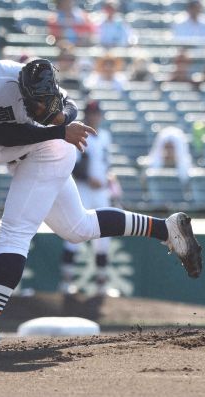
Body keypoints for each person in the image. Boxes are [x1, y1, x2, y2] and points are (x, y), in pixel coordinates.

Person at [0, 20, 202, 353]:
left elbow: (69, 105)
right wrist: (56, 130)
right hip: (35, 151)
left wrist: (61, 118)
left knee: (14, 232)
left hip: (49, 153)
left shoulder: (9, 74)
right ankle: (166, 230)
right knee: (79, 228)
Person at [59, 100, 115, 296]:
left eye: (97, 113)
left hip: (101, 191)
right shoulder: (80, 132)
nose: (94, 116)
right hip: (82, 189)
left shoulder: (105, 136)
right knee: (75, 233)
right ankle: (67, 282)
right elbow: (73, 163)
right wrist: (88, 178)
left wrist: (108, 179)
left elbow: (106, 163)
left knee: (104, 236)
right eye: (91, 113)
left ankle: (101, 283)